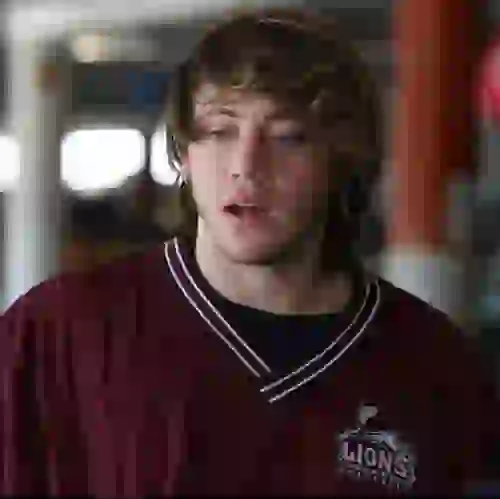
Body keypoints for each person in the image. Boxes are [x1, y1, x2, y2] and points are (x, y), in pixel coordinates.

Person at [1, 7, 499, 496]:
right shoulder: (56, 332)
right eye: (219, 132)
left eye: (287, 137)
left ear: (341, 162)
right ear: (184, 154)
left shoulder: (434, 364)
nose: (246, 166)